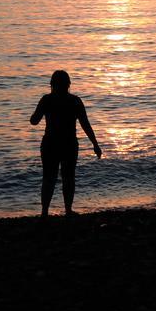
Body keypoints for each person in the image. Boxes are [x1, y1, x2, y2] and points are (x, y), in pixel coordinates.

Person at [30, 70, 103, 218]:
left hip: (50, 144)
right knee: (68, 177)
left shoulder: (46, 100)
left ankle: (44, 212)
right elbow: (85, 124)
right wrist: (95, 144)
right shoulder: (75, 101)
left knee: (48, 178)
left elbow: (34, 121)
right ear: (68, 85)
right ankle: (68, 210)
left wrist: (40, 111)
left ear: (52, 85)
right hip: (69, 144)